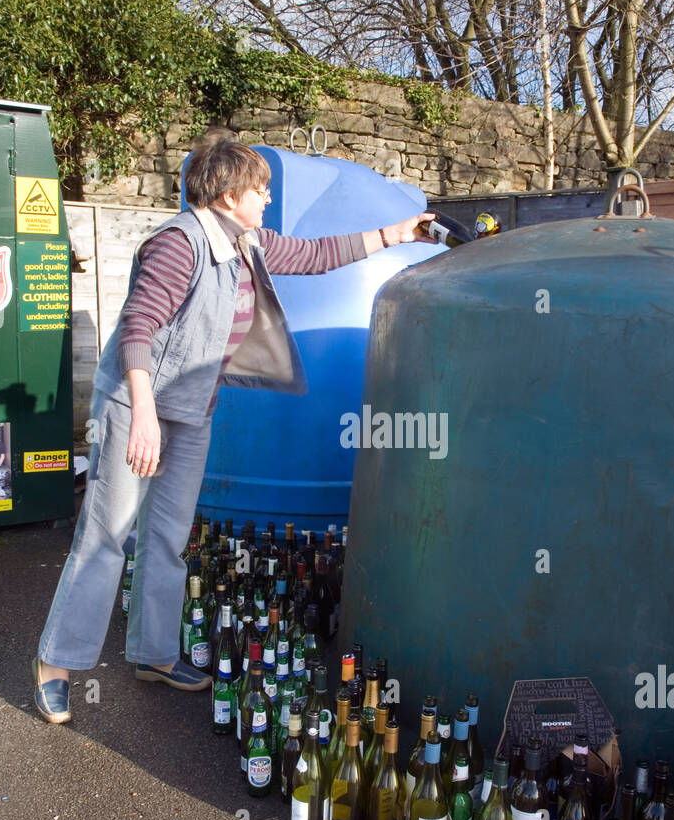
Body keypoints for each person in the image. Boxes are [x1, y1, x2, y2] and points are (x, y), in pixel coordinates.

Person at [33, 135, 435, 724]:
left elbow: (315, 254)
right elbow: (140, 327)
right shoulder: (180, 244)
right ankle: (55, 666)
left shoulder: (245, 241)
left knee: (168, 537)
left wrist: (394, 235)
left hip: (192, 407)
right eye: (259, 189)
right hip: (138, 401)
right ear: (227, 195)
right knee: (107, 537)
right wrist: (142, 414)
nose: (267, 198)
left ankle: (154, 654)